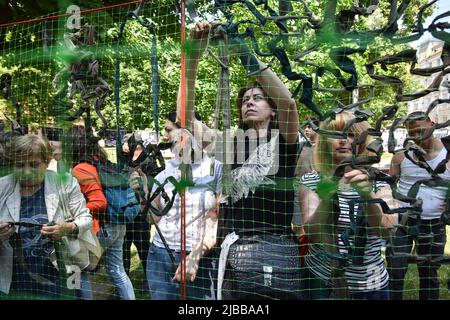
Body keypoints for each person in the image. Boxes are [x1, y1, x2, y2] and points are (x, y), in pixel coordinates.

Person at [178, 21, 302, 300]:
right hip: (234, 256)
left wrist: (241, 50)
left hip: (277, 255)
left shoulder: (284, 142)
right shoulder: (230, 146)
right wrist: (194, 57)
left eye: (258, 98)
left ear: (272, 111)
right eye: (245, 98)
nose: (249, 101)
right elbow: (185, 119)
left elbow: (289, 103)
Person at [298, 111, 397, 300]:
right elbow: (313, 233)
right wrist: (330, 195)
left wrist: (366, 194)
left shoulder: (381, 181)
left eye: (350, 134)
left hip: (370, 286)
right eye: (335, 134)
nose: (342, 140)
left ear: (362, 140)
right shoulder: (312, 180)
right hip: (321, 283)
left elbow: (387, 230)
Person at [130, 112, 222, 300]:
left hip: (200, 258)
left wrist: (195, 256)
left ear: (188, 132)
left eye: (168, 130)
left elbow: (218, 220)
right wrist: (142, 193)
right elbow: (153, 218)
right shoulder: (164, 172)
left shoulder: (216, 169)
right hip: (160, 256)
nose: (165, 136)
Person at [0, 134, 93, 299]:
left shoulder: (66, 183)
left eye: (34, 164)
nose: (27, 171)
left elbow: (86, 219)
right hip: (17, 279)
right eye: (20, 165)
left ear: (47, 161)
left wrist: (69, 227)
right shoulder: (2, 186)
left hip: (65, 270)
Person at [64, 125, 135, 300]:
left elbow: (99, 201)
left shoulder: (80, 169)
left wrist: (77, 212)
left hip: (101, 228)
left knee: (78, 268)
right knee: (118, 271)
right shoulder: (100, 161)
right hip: (118, 225)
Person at [387, 111, 449, 300]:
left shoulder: (447, 155)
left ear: (432, 124)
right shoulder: (401, 157)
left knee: (429, 273)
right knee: (395, 271)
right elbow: (389, 188)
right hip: (402, 223)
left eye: (421, 130)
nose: (418, 136)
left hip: (434, 224)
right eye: (412, 133)